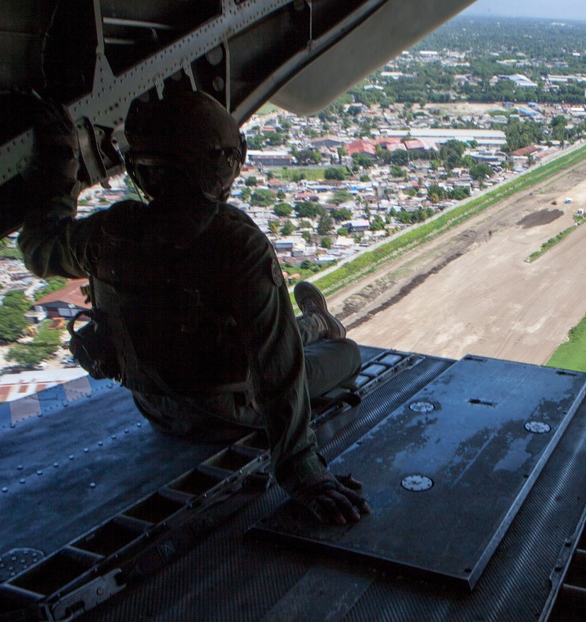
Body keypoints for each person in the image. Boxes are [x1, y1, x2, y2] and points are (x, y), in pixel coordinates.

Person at [19, 92, 370, 525]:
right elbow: (277, 369)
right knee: (345, 354)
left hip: (157, 411)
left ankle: (316, 322)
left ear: (143, 172)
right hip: (228, 415)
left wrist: (60, 162)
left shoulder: (110, 231)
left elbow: (38, 248)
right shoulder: (237, 245)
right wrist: (303, 472)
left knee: (263, 338)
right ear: (222, 166)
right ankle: (322, 324)